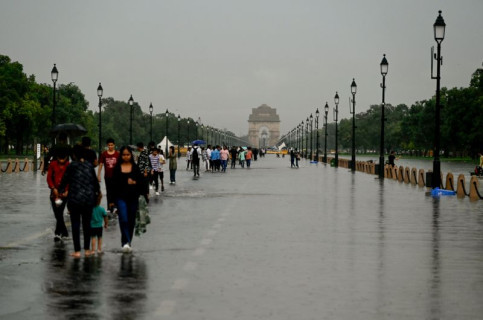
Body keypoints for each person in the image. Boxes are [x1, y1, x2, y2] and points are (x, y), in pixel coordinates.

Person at [58, 145, 100, 258]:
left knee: (75, 225)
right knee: (87, 225)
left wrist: (60, 191)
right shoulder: (89, 166)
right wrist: (97, 195)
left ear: (74, 155)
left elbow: (64, 181)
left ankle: (77, 251)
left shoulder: (71, 166)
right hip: (88, 200)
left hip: (74, 200)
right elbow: (96, 183)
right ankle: (87, 249)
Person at [112, 146, 143, 253]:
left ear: (131, 155)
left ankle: (128, 241)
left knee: (131, 221)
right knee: (123, 219)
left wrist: (134, 183)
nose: (126, 157)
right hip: (120, 198)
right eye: (124, 155)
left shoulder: (135, 168)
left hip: (133, 198)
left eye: (128, 155)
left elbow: (141, 183)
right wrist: (112, 201)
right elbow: (113, 184)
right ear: (121, 156)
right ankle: (125, 242)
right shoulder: (117, 168)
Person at [46, 149, 70, 241]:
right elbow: (49, 178)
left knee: (60, 212)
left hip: (64, 192)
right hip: (54, 192)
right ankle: (62, 233)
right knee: (57, 213)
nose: (61, 161)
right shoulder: (53, 164)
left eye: (63, 159)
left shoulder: (68, 165)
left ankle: (59, 233)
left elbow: (70, 179)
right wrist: (53, 188)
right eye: (59, 159)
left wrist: (67, 190)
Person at [97, 138, 119, 214]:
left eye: (112, 145)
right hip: (108, 176)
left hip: (116, 176)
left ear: (114, 145)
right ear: (107, 146)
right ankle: (109, 207)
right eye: (109, 145)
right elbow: (100, 164)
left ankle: (115, 206)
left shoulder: (117, 154)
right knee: (109, 192)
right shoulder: (104, 154)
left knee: (115, 191)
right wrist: (98, 175)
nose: (110, 146)